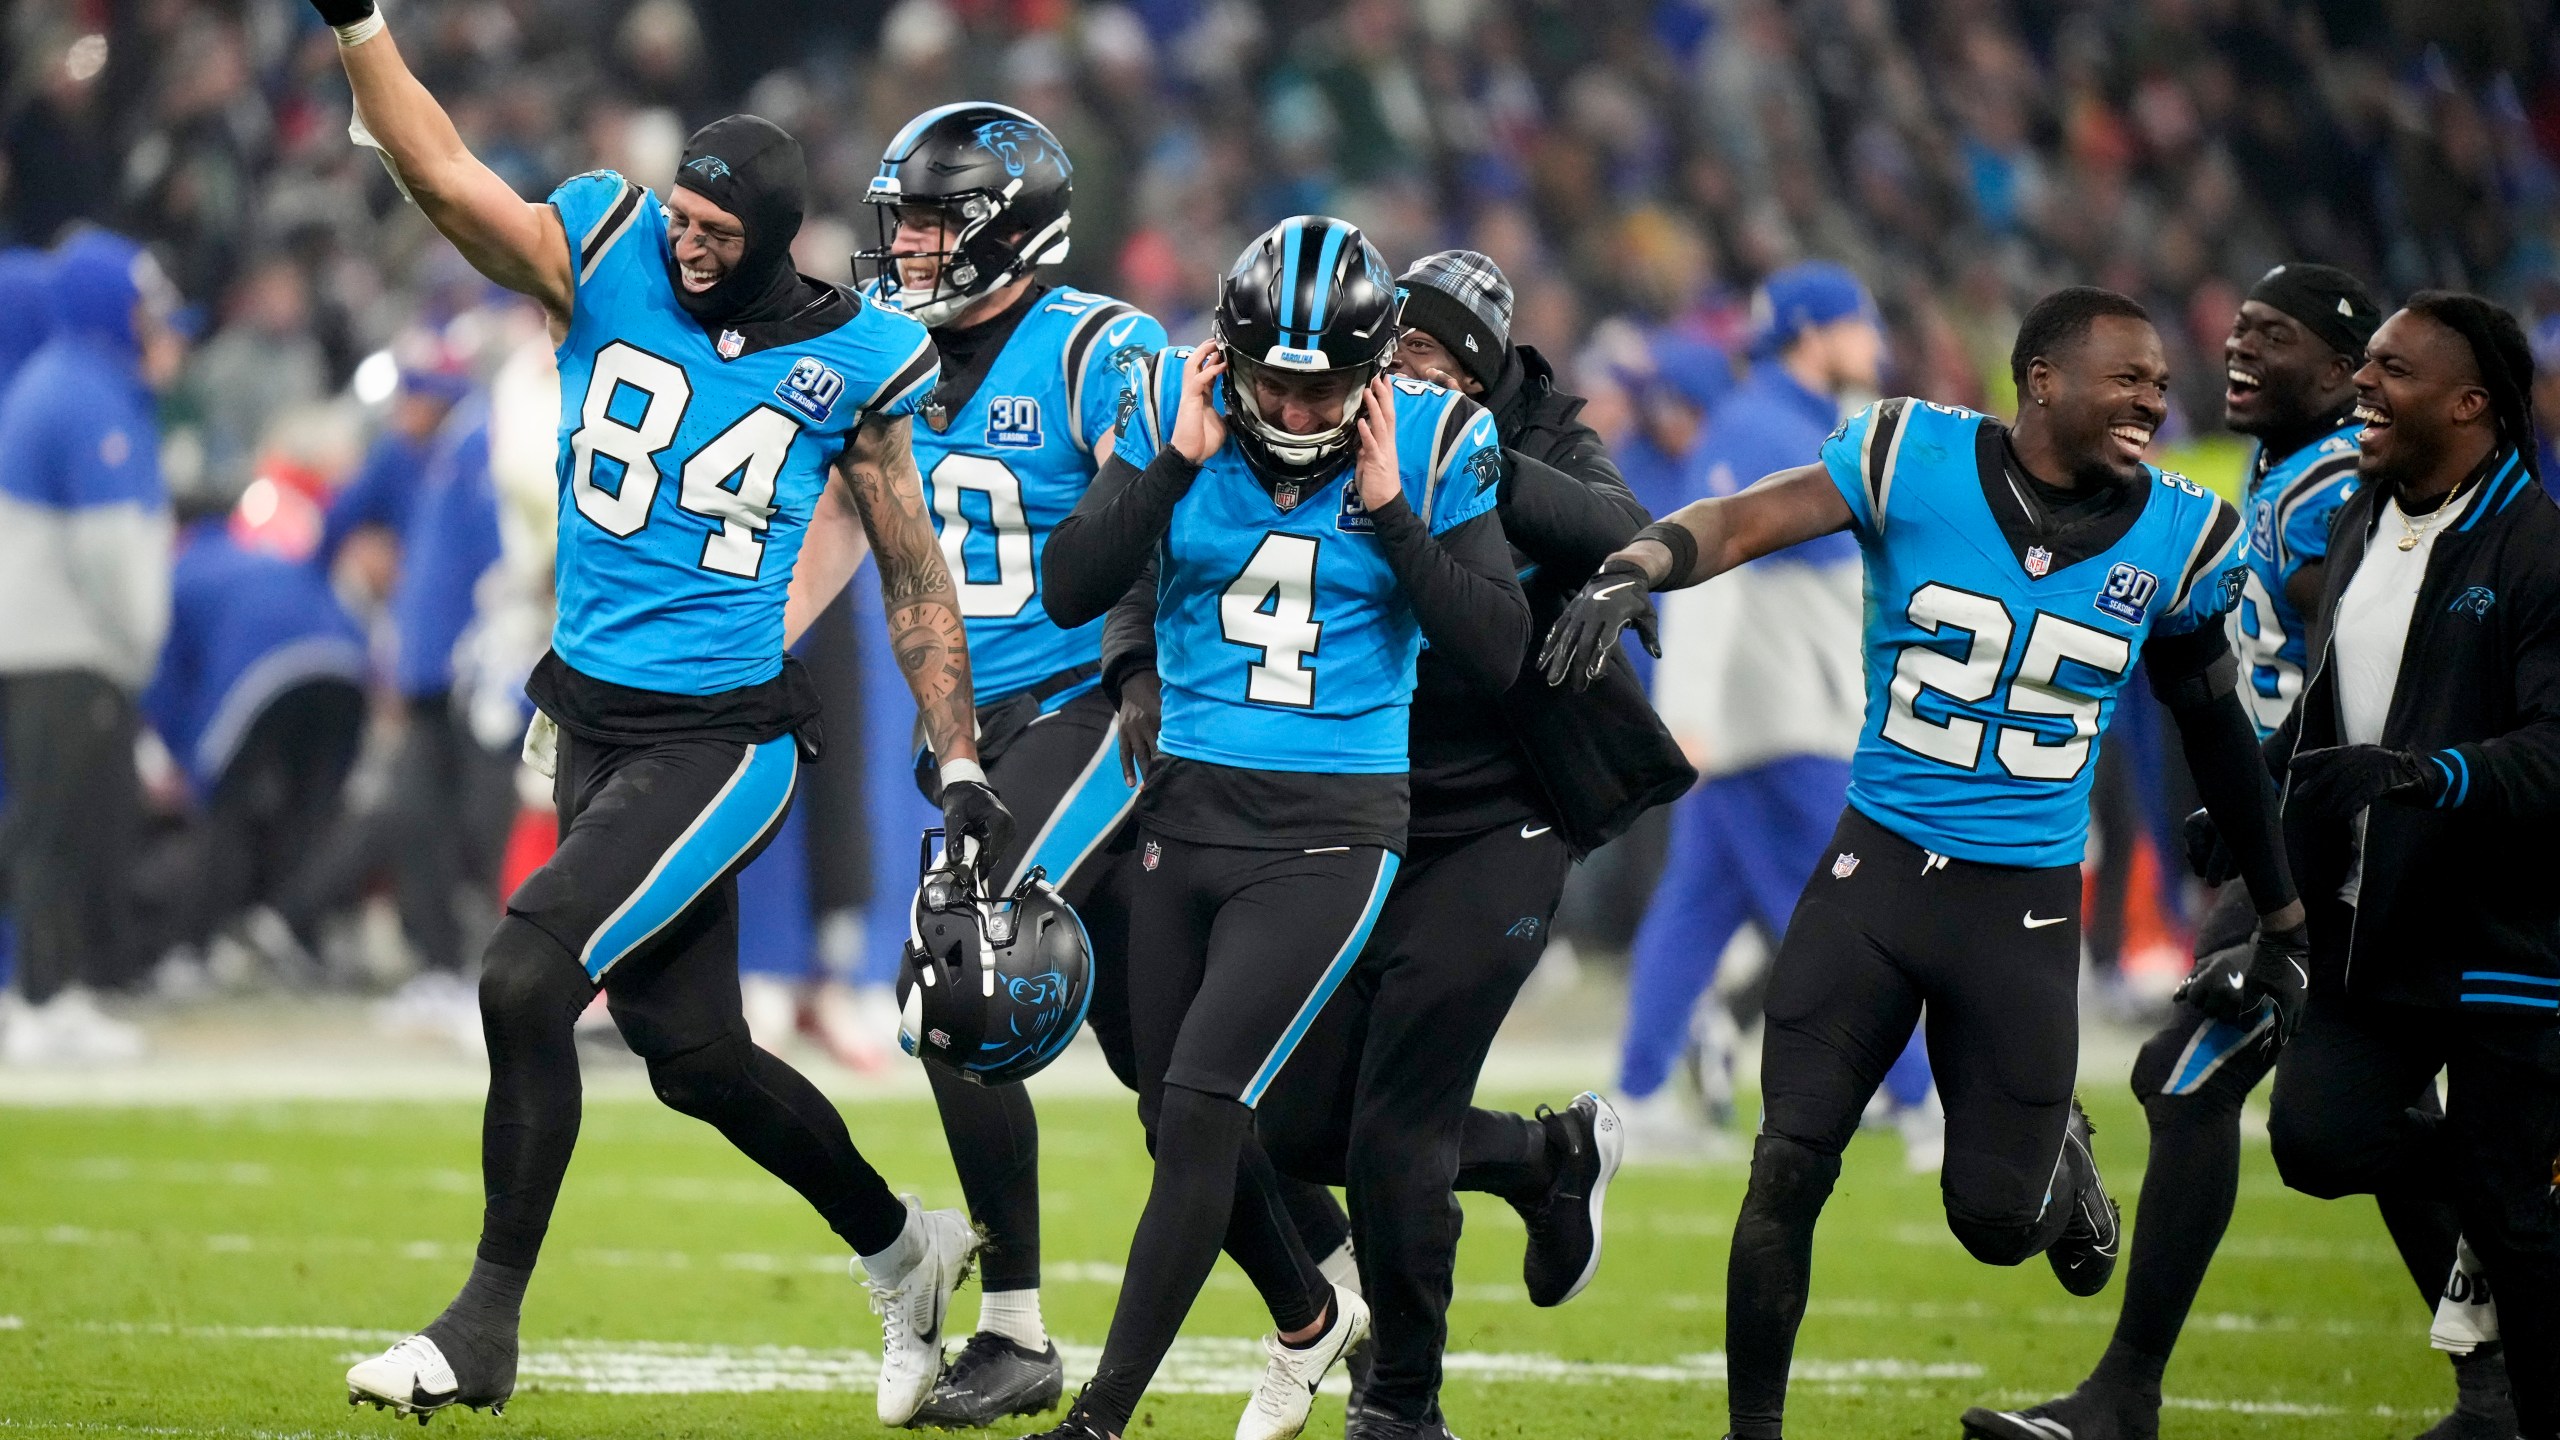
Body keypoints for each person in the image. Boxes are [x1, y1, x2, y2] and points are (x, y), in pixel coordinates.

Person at [302, 0, 1013, 1427]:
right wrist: (357, 24)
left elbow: (914, 571)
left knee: (523, 979)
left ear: (775, 237)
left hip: (726, 739)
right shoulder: (607, 249)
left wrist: (958, 756)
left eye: (714, 225)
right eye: (679, 211)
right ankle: (907, 1248)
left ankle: (482, 1327)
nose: (685, 238)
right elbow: (441, 176)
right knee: (692, 1059)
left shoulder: (855, 361)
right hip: (594, 718)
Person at [1542, 286, 2310, 1440]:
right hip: (1878, 869)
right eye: (2128, 376)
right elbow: (1749, 517)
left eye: (2160, 380)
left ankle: (2058, 1160)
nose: (2155, 395)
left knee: (1994, 1222)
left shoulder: (2181, 532)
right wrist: (1640, 562)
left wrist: (2283, 911)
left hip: (2024, 908)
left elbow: (2213, 726)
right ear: (2040, 381)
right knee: (1786, 1166)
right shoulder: (1914, 453)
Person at [1113, 247, 1683, 1439]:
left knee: (1395, 1132)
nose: (1391, 384)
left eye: (1423, 366)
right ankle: (1543, 1161)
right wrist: (1131, 671)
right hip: (1342, 816)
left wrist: (1443, 463)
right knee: (1276, 1124)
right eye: (1392, 360)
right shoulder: (1281, 419)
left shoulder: (1500, 447)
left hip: (1498, 815)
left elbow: (1635, 536)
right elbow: (1149, 550)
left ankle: (1402, 1404)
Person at [1029, 217, 1528, 1440]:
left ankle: (1098, 1420)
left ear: (1373, 370)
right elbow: (1068, 585)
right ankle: (1311, 1314)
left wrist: (1396, 517)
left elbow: (1497, 649)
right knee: (1163, 1104)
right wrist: (1168, 469)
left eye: (1325, 386)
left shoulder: (1436, 434)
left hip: (1331, 826)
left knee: (1201, 1112)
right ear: (1229, 354)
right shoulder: (1167, 407)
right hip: (1185, 809)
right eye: (1275, 382)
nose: (1299, 412)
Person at [1961, 262, 2393, 1440]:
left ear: (2346, 369)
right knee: (2343, 1120)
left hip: (2347, 851)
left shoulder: (2346, 484)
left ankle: (2124, 1399)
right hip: (2295, 840)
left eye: (2274, 337)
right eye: (2238, 330)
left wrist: (2281, 787)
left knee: (2203, 1084)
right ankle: (2500, 1358)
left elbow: (2362, 661)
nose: (2239, 351)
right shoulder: (2272, 476)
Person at [2246, 293, 2560, 1440]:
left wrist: (2422, 777)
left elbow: (2555, 750)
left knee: (2516, 1221)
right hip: (2367, 922)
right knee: (2318, 1140)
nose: (2361, 385)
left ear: (2470, 407)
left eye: (2392, 370)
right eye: (2364, 363)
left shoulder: (2538, 550)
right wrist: (2247, 798)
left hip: (2499, 935)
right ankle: (2507, 1193)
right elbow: (2335, 698)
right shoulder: (2362, 514)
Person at [1627, 261, 1939, 1165]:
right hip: (1775, 726)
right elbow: (1710, 583)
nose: (1874, 343)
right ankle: (1923, 1101)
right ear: (1812, 332)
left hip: (1763, 724)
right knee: (1857, 918)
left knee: (1696, 910)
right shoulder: (1762, 424)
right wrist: (1685, 712)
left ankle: (1640, 1092)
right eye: (1859, 324)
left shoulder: (1787, 418)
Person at [0, 229, 187, 1064]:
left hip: (47, 646)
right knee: (59, 829)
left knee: (57, 825)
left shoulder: (63, 382)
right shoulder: (85, 393)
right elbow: (111, 548)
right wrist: (142, 646)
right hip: (63, 650)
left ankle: (48, 990)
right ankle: (45, 998)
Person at [139, 508, 369, 969]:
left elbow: (165, 676)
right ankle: (294, 934)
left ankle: (189, 946)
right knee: (314, 810)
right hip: (347, 666)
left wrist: (181, 759)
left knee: (223, 813)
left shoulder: (182, 568)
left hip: (260, 672)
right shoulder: (261, 556)